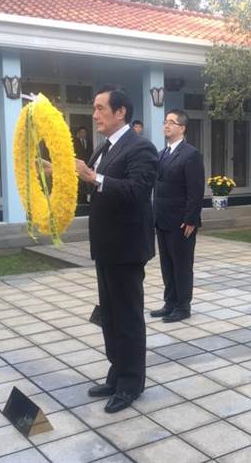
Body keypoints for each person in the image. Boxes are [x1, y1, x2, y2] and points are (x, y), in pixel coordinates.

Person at [75, 84, 158, 413]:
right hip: (106, 246)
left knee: (127, 317)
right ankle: (117, 371)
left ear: (120, 112)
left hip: (127, 247)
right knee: (109, 315)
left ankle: (131, 383)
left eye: (100, 108)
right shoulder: (104, 147)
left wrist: (94, 177)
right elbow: (94, 180)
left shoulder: (140, 147)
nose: (94, 115)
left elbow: (137, 190)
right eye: (94, 108)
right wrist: (68, 172)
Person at [150, 109, 205, 322]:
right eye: (165, 122)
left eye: (171, 122)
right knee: (167, 264)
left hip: (181, 222)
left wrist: (191, 219)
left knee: (182, 265)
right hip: (162, 219)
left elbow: (195, 189)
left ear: (182, 128)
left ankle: (183, 306)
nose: (166, 125)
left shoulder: (191, 154)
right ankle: (170, 302)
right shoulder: (161, 154)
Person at [73, 126, 93, 203]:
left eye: (84, 132)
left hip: (87, 165)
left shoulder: (89, 142)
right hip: (77, 165)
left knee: (85, 182)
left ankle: (84, 199)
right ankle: (78, 199)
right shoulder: (75, 142)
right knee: (78, 183)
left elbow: (91, 153)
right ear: (78, 133)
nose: (83, 134)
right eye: (81, 132)